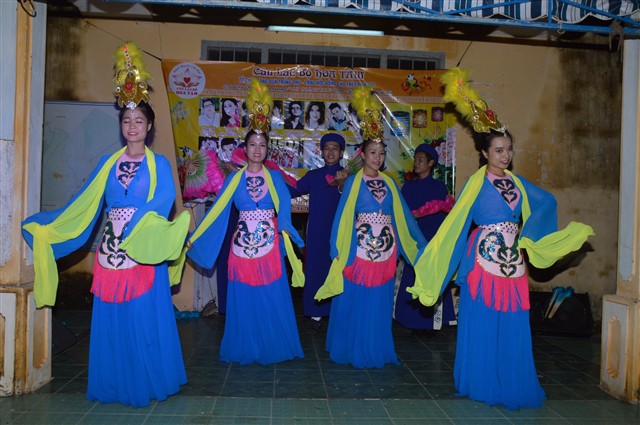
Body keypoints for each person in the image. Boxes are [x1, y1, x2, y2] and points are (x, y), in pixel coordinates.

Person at [409, 130, 594, 409]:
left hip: (512, 260)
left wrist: (529, 236)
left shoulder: (517, 182)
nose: (505, 155)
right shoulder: (476, 183)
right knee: (483, 320)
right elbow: (456, 225)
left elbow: (546, 202)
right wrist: (436, 261)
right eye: (498, 150)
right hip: (482, 260)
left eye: (509, 148)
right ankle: (481, 380)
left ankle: (510, 380)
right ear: (485, 153)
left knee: (512, 320)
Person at [22, 101, 188, 407]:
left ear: (150, 126)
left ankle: (146, 381)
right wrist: (51, 227)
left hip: (143, 248)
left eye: (139, 120)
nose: (133, 126)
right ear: (121, 125)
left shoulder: (160, 164)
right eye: (127, 120)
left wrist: (136, 224)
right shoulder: (107, 163)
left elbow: (165, 198)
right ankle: (114, 381)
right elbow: (84, 201)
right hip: (111, 253)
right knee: (113, 320)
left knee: (142, 317)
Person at [186, 129, 305, 365]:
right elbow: (217, 210)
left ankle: (273, 344)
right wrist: (195, 236)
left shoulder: (275, 178)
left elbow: (284, 210)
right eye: (253, 144)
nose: (257, 149)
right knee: (244, 296)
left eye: (262, 145)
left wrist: (287, 236)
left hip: (270, 245)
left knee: (272, 294)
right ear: (245, 149)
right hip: (242, 246)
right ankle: (246, 344)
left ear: (267, 149)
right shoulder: (234, 179)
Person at [315, 137, 426, 368]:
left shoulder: (390, 183)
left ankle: (375, 347)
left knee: (379, 302)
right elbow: (342, 216)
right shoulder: (352, 182)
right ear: (363, 155)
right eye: (373, 152)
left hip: (385, 251)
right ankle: (349, 347)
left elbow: (404, 217)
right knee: (353, 299)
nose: (377, 157)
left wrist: (423, 245)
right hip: (358, 250)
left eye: (382, 153)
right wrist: (336, 248)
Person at [395, 144, 456, 333]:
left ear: (430, 163)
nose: (417, 163)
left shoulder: (439, 187)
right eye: (416, 159)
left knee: (430, 276)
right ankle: (408, 319)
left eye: (421, 160)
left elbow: (441, 214)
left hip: (431, 236)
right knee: (411, 275)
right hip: (413, 238)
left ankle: (430, 322)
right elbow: (402, 212)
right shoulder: (408, 187)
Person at [288, 133, 347, 333]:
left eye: (335, 148)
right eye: (327, 148)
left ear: (341, 153)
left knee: (339, 271)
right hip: (317, 232)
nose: (330, 152)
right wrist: (269, 179)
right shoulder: (313, 176)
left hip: (340, 233)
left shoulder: (349, 177)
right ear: (321, 152)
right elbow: (293, 189)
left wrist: (343, 184)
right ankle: (315, 315)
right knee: (315, 270)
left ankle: (339, 314)